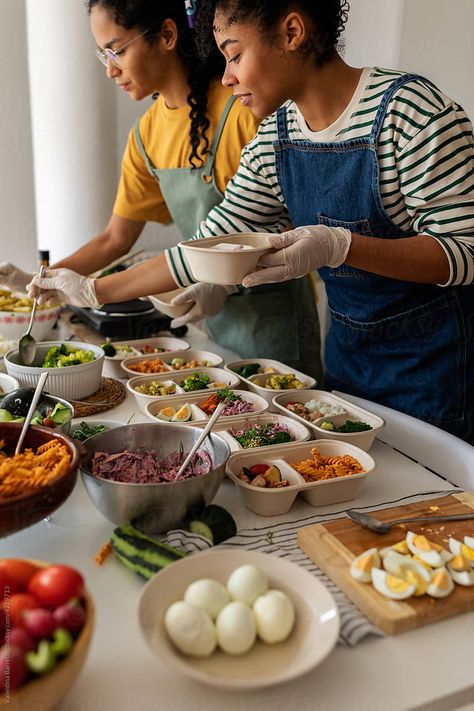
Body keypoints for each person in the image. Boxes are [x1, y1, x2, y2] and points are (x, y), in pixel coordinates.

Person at [29, 0, 474, 442]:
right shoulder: (274, 137)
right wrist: (92, 290)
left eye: (236, 54)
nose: (227, 76)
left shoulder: (409, 111)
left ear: (292, 32)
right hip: (350, 367)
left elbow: (465, 253)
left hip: (438, 375)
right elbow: (205, 246)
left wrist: (343, 246)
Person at [0, 0, 322, 381]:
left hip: (276, 322)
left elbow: (292, 225)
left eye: (117, 50)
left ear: (167, 35)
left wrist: (224, 281)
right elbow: (116, 239)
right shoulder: (147, 133)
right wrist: (46, 279)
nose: (109, 69)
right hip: (214, 324)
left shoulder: (245, 109)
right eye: (102, 54)